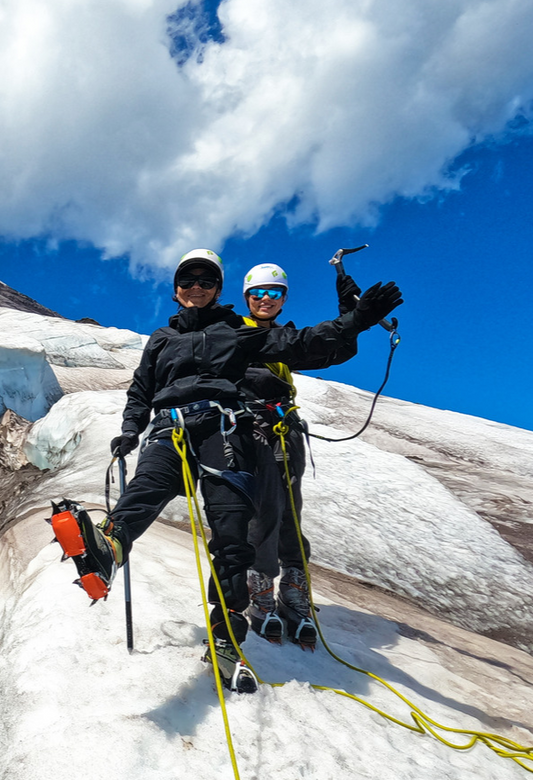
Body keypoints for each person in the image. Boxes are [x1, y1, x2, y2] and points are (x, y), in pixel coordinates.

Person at [53, 249, 402, 693]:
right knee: (145, 489)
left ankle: (227, 636)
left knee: (232, 537)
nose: (196, 287)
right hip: (171, 426)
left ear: (218, 289)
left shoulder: (237, 331)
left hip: (224, 429)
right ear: (176, 290)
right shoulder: (160, 339)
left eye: (205, 281)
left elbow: (302, 344)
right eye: (188, 281)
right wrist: (129, 430)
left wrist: (357, 319)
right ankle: (108, 549)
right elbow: (141, 391)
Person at [239, 263, 361, 647]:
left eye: (274, 293)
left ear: (284, 299)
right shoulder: (234, 332)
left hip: (285, 430)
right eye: (258, 292)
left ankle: (292, 584)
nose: (265, 299)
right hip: (251, 428)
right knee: (265, 507)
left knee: (291, 507)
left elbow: (336, 351)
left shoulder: (287, 337)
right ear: (246, 297)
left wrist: (351, 314)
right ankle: (260, 582)